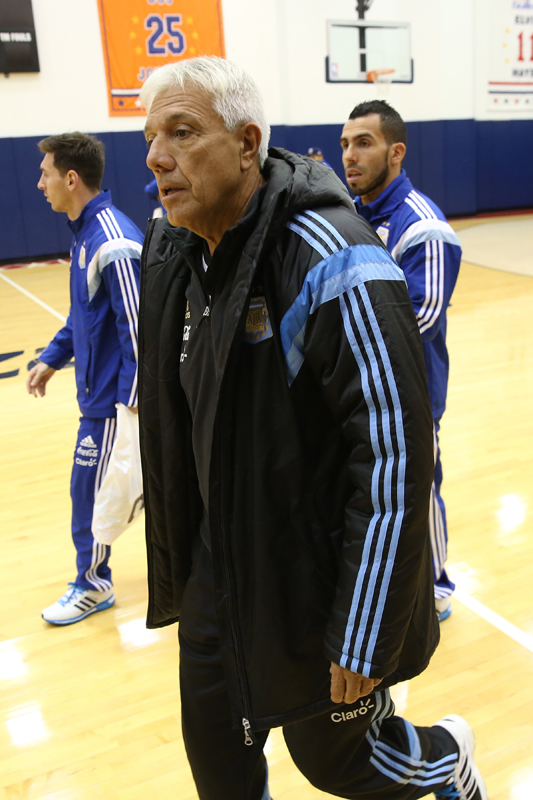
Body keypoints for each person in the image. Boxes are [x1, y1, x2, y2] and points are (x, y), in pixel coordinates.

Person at [138, 57, 487, 800]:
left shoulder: (332, 253)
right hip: (219, 569)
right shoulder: (174, 251)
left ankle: (447, 758)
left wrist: (363, 629)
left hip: (317, 576)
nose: (157, 156)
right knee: (219, 768)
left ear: (247, 143)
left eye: (182, 132)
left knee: (337, 762)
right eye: (150, 138)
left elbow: (393, 454)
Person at [340, 100, 462, 623]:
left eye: (363, 143)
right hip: (356, 391)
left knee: (418, 492)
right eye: (345, 144)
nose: (350, 155)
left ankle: (436, 586)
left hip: (410, 397)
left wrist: (338, 345)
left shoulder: (424, 228)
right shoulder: (350, 216)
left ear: (396, 152)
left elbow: (419, 321)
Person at [29, 132, 143, 625]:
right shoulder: (86, 234)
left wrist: (131, 406)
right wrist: (52, 358)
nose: (40, 184)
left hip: (116, 405)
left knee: (89, 494)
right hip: (100, 398)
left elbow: (139, 330)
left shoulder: (112, 242)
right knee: (104, 493)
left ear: (71, 178)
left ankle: (93, 585)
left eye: (46, 174)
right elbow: (84, 316)